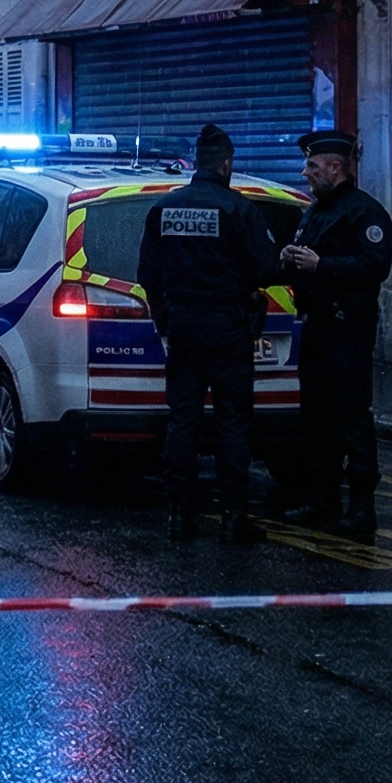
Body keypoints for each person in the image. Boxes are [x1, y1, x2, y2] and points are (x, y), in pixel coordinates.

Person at [136, 124, 282, 544]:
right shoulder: (239, 210)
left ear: (196, 163)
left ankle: (178, 515)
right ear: (227, 164)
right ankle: (234, 517)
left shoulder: (165, 209)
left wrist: (165, 317)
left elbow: (148, 273)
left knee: (182, 420)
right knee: (232, 422)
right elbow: (266, 269)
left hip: (183, 328)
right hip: (228, 330)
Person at [276, 131, 392, 539]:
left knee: (351, 418)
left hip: (348, 328)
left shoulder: (365, 213)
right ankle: (323, 498)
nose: (304, 172)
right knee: (317, 418)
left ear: (335, 167)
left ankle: (362, 509)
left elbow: (374, 266)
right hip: (317, 326)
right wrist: (288, 259)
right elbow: (302, 254)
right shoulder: (315, 211)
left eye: (311, 166)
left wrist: (321, 265)